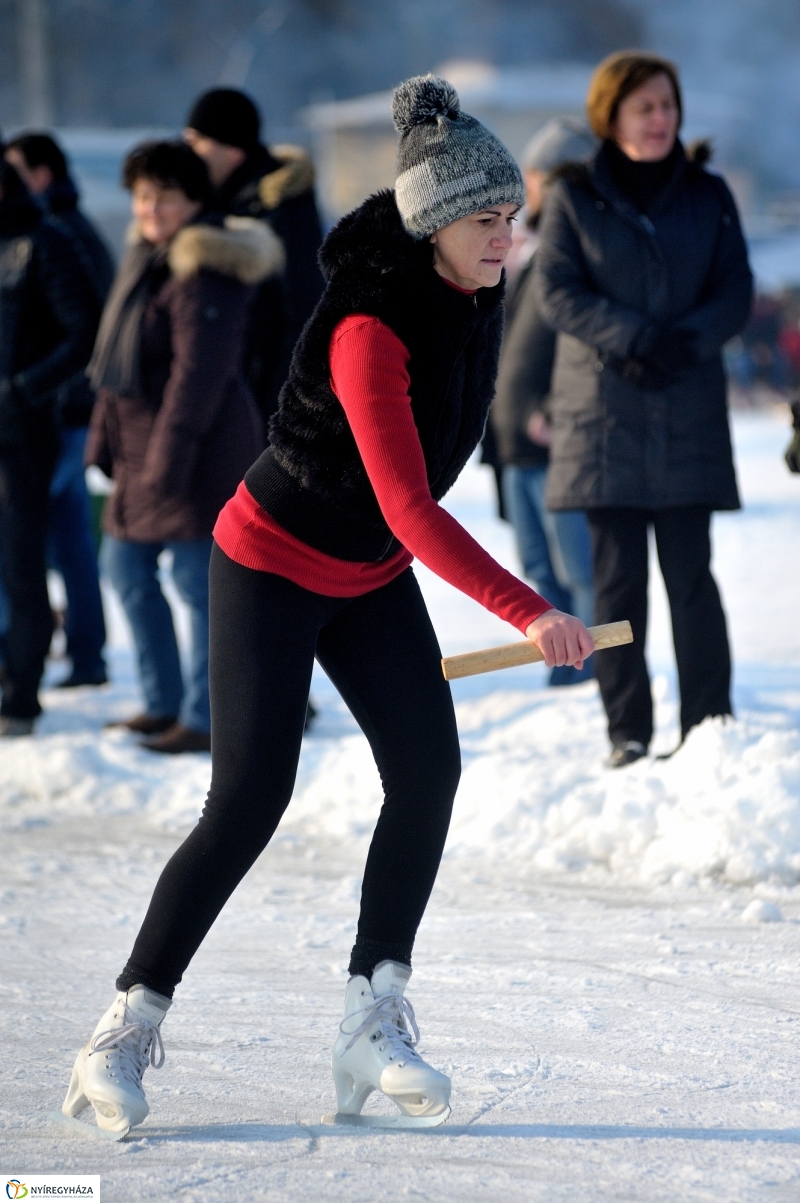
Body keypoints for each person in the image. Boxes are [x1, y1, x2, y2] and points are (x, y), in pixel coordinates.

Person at [61, 75, 594, 1137]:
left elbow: (409, 503)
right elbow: (406, 506)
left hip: (364, 576)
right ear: (438, 222)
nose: (506, 237)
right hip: (268, 561)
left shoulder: (470, 296)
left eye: (510, 219)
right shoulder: (368, 327)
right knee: (248, 800)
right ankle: (121, 1028)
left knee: (427, 770)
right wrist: (528, 607)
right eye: (489, 221)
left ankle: (371, 1012)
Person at [534, 51, 753, 767]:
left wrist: (684, 341)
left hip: (685, 406)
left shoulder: (708, 193)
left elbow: (735, 290)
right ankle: (627, 731)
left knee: (693, 576)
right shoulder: (573, 196)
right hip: (604, 417)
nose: (660, 119)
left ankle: (709, 725)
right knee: (616, 584)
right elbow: (557, 291)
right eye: (644, 108)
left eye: (667, 105)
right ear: (611, 115)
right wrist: (632, 337)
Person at [85, 141, 281, 754]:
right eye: (143, 195)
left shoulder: (204, 271)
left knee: (201, 586)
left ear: (194, 200)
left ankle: (205, 716)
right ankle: (163, 700)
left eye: (165, 195)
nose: (151, 207)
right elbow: (114, 370)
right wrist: (103, 445)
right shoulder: (147, 260)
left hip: (200, 451)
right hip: (144, 447)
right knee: (127, 570)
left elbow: (197, 379)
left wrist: (166, 463)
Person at [491, 118, 597, 687]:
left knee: (577, 570)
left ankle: (592, 677)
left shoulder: (584, 253)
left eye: (547, 176)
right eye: (534, 174)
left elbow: (587, 342)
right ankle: (563, 677)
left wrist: (556, 411)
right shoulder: (530, 252)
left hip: (556, 444)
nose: (534, 186)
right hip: (513, 444)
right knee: (537, 575)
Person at [5, 132, 114, 687]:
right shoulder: (66, 227)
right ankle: (81, 654)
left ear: (39, 174)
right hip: (55, 412)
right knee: (62, 541)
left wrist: (26, 390)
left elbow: (87, 329)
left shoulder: (57, 233)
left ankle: (56, 656)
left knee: (34, 546)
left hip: (58, 416)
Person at [184, 88, 324, 426]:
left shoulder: (284, 208)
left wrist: (275, 410)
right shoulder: (212, 203)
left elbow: (304, 312)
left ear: (231, 149)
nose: (188, 154)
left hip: (262, 400)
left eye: (196, 142)